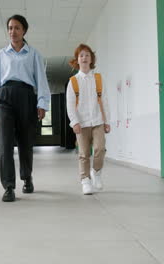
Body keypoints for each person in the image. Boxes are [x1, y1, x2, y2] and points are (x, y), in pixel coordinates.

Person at [0, 14, 51, 202]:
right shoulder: (1, 54)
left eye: (17, 28)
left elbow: (41, 81)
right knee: (5, 142)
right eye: (10, 28)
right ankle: (8, 186)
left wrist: (42, 104)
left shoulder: (33, 54)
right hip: (5, 96)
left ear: (24, 31)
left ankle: (27, 176)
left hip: (26, 95)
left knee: (25, 141)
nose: (13, 31)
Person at [66, 44, 111, 195]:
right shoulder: (73, 81)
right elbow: (70, 104)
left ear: (91, 59)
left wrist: (107, 121)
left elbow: (104, 101)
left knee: (100, 149)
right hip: (82, 123)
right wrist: (74, 122)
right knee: (84, 154)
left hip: (98, 121)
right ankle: (85, 181)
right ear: (77, 60)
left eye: (87, 55)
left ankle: (96, 172)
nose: (84, 58)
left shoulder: (98, 78)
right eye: (81, 55)